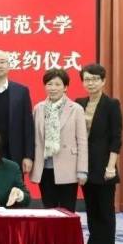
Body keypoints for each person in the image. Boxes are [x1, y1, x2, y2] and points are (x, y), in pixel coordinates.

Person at [77, 64, 122, 244]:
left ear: (103, 81)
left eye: (95, 79)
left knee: (105, 212)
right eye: (87, 79)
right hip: (85, 167)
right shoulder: (79, 103)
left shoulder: (111, 104)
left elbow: (116, 138)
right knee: (92, 212)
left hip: (104, 167)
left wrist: (111, 166)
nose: (91, 83)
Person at [30, 68, 88, 212]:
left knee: (67, 210)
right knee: (49, 210)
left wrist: (82, 170)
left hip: (68, 167)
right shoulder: (38, 108)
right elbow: (34, 138)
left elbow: (82, 142)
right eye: (49, 84)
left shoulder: (76, 109)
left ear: (65, 87)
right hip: (45, 167)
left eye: (57, 84)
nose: (53, 88)